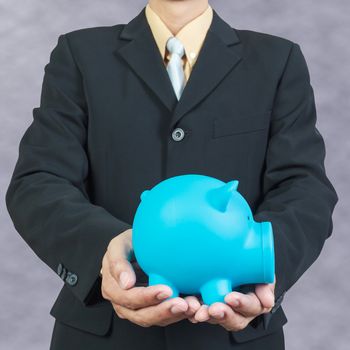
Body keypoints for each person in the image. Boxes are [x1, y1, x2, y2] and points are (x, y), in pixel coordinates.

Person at [5, 0, 338, 349]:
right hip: (102, 334)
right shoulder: (80, 55)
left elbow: (304, 188)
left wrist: (263, 266)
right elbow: (38, 181)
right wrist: (106, 251)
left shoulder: (276, 61)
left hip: (234, 332)